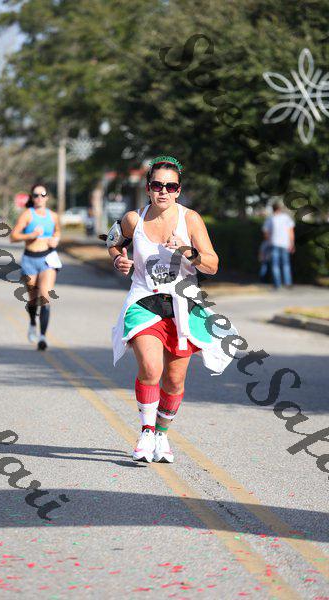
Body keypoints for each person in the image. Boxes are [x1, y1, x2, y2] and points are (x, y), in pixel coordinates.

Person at [106, 156, 237, 464]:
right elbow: (113, 242)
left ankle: (162, 435)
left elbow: (213, 265)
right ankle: (146, 431)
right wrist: (118, 259)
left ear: (178, 190)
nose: (163, 191)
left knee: (175, 381)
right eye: (157, 185)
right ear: (148, 188)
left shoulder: (190, 219)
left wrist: (188, 251)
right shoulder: (133, 219)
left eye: (170, 186)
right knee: (151, 369)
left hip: (182, 304)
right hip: (144, 301)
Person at [10, 183, 61, 350]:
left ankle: (43, 337)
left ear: (47, 197)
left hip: (47, 259)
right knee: (33, 299)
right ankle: (32, 322)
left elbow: (57, 232)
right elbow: (13, 237)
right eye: (36, 195)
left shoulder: (53, 216)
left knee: (44, 297)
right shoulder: (27, 215)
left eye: (42, 194)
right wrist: (31, 235)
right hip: (29, 259)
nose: (39, 198)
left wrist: (55, 240)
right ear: (32, 198)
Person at [263, 203, 295, 289]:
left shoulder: (270, 218)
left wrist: (268, 241)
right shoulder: (286, 218)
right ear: (280, 209)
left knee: (275, 265)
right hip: (285, 244)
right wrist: (292, 243)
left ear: (273, 209)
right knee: (286, 264)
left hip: (274, 243)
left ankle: (277, 284)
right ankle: (288, 283)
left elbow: (266, 232)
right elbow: (291, 231)